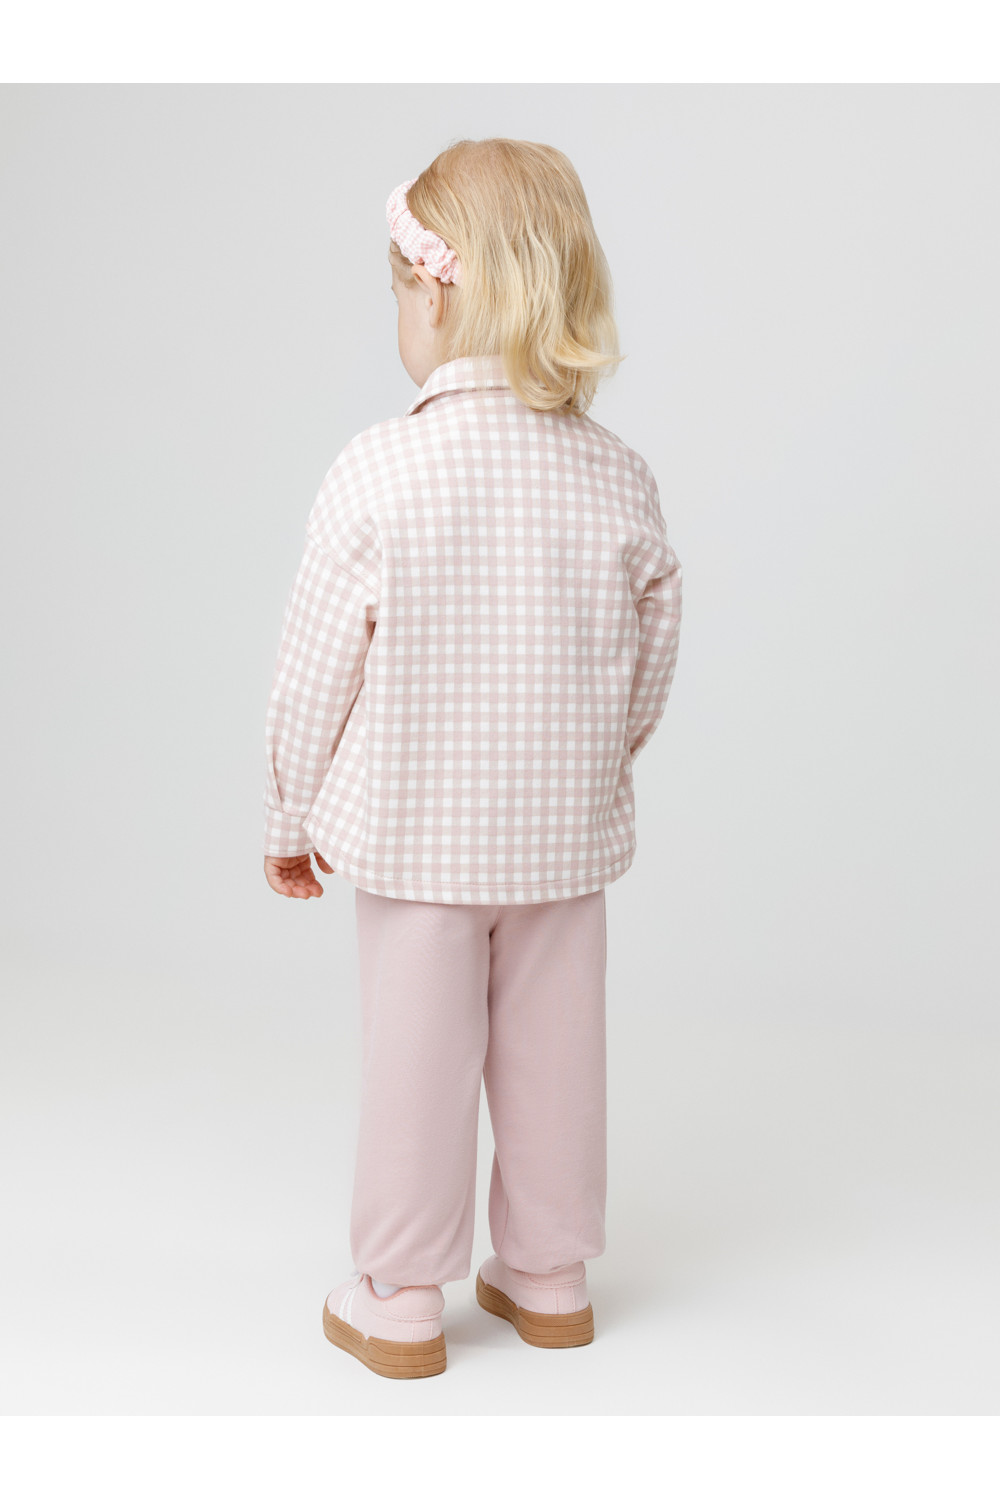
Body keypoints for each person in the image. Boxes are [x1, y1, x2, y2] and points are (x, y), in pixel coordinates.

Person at [261, 138, 683, 1380]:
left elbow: (312, 673)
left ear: (434, 296)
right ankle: (549, 1275)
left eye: (400, 290)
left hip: (414, 839)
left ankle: (400, 1295)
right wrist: (594, 762)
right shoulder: (619, 477)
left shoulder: (378, 469)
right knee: (557, 1056)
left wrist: (290, 814)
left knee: (417, 1062)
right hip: (560, 841)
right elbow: (650, 661)